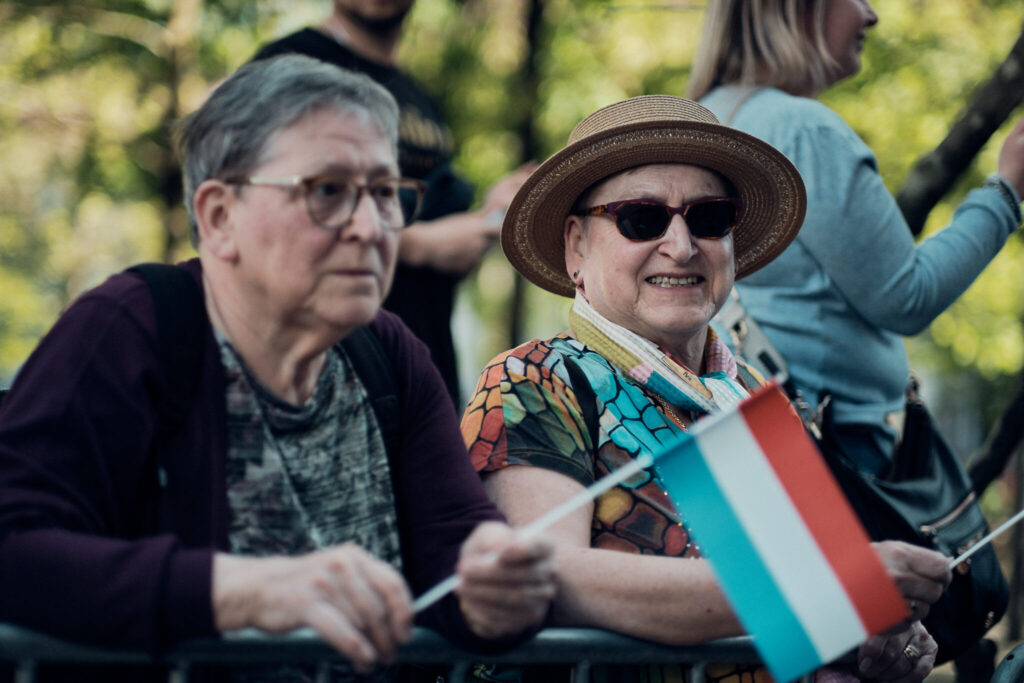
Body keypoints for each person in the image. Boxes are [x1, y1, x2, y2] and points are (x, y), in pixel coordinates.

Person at [0, 55, 555, 680]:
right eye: (327, 191)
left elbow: (457, 550)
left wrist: (495, 589)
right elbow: (14, 547)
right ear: (220, 217)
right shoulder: (130, 328)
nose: (371, 228)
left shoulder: (390, 353)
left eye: (384, 193)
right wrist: (242, 591)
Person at [461, 95, 952, 682]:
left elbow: (820, 625)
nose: (682, 245)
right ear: (576, 246)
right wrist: (823, 589)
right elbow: (545, 578)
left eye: (710, 217)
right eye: (641, 218)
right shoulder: (534, 379)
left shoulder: (753, 392)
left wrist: (876, 635)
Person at [687, 0, 1024, 473]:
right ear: (798, 9)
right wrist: (1006, 191)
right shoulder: (803, 130)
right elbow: (908, 296)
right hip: (841, 462)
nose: (871, 15)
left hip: (766, 444)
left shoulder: (706, 119)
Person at [251, 0, 534, 408]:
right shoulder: (286, 67)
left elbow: (442, 248)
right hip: (329, 378)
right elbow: (265, 215)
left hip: (423, 374)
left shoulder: (421, 98)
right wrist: (422, 245)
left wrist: (485, 221)